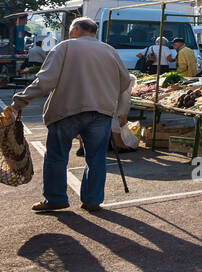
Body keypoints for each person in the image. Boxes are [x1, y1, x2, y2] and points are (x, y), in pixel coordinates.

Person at [7, 17, 132, 212]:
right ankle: (92, 200)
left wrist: (20, 101)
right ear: (93, 32)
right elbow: (125, 81)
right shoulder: (109, 50)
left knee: (57, 156)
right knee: (96, 157)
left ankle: (55, 198)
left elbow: (45, 81)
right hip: (101, 112)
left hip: (67, 110)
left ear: (74, 30)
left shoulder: (65, 47)